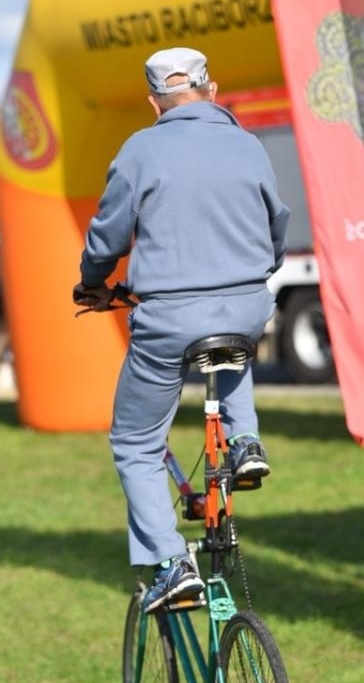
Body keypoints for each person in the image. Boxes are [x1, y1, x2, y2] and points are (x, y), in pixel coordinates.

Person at [74, 47, 289, 614]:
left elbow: (109, 233)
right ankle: (244, 441)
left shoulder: (141, 149)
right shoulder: (246, 144)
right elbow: (277, 221)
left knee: (135, 443)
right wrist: (254, 270)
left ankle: (172, 564)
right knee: (232, 343)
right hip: (245, 305)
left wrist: (93, 281)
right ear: (211, 90)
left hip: (170, 317)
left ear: (154, 103)